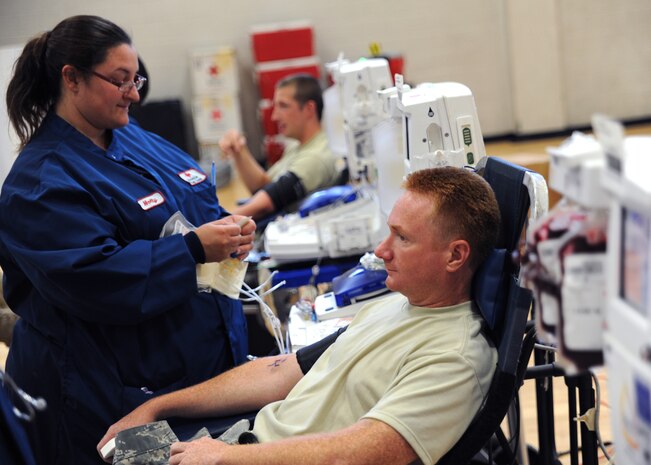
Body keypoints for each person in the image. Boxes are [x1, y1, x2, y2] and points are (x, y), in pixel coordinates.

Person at [99, 166, 502, 465]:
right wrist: (159, 407)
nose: (382, 250)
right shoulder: (397, 305)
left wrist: (222, 457)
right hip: (246, 441)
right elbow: (281, 370)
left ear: (455, 255)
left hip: (245, 454)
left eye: (403, 237)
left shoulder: (455, 358)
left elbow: (365, 451)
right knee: (111, 450)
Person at [0, 15, 256, 465]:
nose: (135, 93)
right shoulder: (39, 183)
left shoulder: (131, 136)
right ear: (72, 79)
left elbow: (192, 197)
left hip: (191, 378)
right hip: (111, 398)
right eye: (120, 81)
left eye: (135, 78)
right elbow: (96, 279)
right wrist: (194, 248)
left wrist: (228, 226)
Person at [218, 74, 341, 220]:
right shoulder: (297, 145)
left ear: (309, 109)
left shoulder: (316, 156)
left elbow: (265, 204)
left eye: (283, 106)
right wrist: (239, 150)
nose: (274, 117)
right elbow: (263, 187)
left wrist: (212, 225)